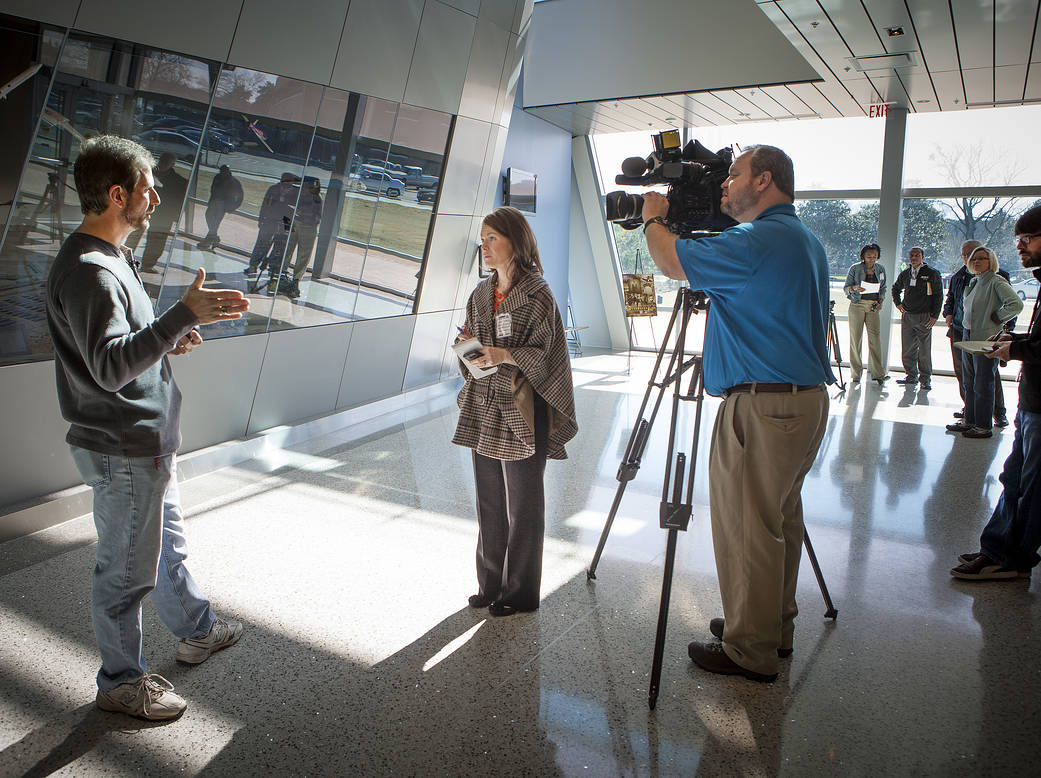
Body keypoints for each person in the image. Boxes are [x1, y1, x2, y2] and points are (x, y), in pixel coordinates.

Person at [44, 135, 250, 721]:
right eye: (145, 188)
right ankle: (121, 680)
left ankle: (195, 629)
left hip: (146, 442)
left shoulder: (112, 258)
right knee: (126, 571)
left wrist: (169, 340)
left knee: (163, 548)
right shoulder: (90, 271)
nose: (156, 197)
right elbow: (108, 368)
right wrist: (181, 314)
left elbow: (119, 350)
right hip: (124, 446)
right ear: (116, 195)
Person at [641, 145, 834, 683]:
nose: (725, 184)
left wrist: (655, 217)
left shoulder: (757, 241)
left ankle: (749, 649)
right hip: (800, 401)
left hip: (763, 404)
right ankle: (772, 627)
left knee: (749, 529)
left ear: (764, 180)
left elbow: (671, 261)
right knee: (777, 523)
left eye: (734, 174)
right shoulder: (803, 239)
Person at [452, 206, 577, 617]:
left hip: (524, 409)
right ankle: (489, 584)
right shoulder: (480, 294)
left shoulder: (538, 293)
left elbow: (549, 356)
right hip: (486, 405)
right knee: (489, 500)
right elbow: (471, 352)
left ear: (515, 241)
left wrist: (504, 353)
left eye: (493, 238)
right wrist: (469, 350)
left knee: (523, 505)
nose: (485, 247)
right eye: (483, 238)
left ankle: (520, 593)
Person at [951, 205, 1041, 579]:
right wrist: (1018, 339)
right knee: (1014, 476)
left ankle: (1012, 557)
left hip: (1040, 407)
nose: (1020, 246)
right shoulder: (973, 281)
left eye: (1028, 239)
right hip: (1032, 403)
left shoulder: (997, 281)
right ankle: (999, 547)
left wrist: (1014, 347)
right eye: (1017, 239)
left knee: (1032, 485)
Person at [946, 246, 1022, 439]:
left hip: (986, 337)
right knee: (969, 381)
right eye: (974, 259)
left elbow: (1016, 304)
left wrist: (999, 317)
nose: (977, 262)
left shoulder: (996, 281)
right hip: (968, 335)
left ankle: (983, 426)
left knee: (983, 383)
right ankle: (969, 421)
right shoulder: (974, 281)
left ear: (991, 262)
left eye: (982, 258)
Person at [892, 246, 943, 389]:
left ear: (922, 257)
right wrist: (898, 304)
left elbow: (938, 295)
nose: (914, 257)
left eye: (917, 255)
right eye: (911, 255)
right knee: (908, 348)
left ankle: (925, 379)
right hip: (908, 316)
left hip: (925, 316)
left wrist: (934, 316)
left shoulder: (931, 273)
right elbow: (895, 289)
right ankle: (911, 376)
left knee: (924, 349)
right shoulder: (906, 274)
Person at [844, 244, 889, 386]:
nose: (872, 259)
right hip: (857, 305)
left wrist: (880, 301)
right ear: (863, 256)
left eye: (874, 256)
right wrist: (854, 288)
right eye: (869, 256)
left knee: (875, 339)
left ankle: (878, 374)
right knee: (855, 339)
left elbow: (883, 288)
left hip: (873, 306)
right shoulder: (855, 268)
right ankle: (856, 374)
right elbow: (846, 288)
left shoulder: (880, 269)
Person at [138, 152, 187, 271]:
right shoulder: (147, 174)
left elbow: (179, 201)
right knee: (134, 234)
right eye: (163, 161)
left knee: (157, 240)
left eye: (167, 162)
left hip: (163, 215)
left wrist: (175, 216)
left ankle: (148, 264)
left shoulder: (179, 182)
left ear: (172, 164)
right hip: (142, 210)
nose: (163, 164)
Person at [246, 172, 298, 278]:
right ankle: (253, 265)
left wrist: (291, 225)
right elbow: (265, 204)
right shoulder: (273, 189)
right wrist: (261, 218)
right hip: (270, 219)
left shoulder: (296, 192)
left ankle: (273, 269)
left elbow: (297, 209)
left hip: (286, 221)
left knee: (280, 247)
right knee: (262, 243)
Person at [280, 176, 322, 299]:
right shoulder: (296, 195)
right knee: (287, 250)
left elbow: (315, 216)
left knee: (304, 255)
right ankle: (282, 274)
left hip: (308, 227)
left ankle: (296, 280)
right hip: (294, 224)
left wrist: (303, 213)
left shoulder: (316, 199)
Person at [199, 164, 243, 250]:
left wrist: (233, 207)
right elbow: (213, 188)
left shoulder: (234, 182)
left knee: (215, 223)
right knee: (208, 216)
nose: (222, 173)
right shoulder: (217, 177)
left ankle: (208, 241)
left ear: (228, 172)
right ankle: (214, 238)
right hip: (214, 201)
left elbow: (240, 196)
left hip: (223, 204)